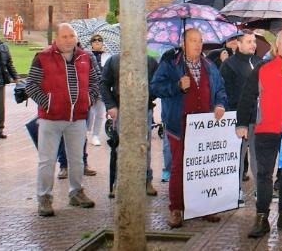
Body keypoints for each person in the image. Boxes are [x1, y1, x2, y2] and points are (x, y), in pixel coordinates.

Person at [150, 28, 228, 228]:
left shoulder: (209, 65)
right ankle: (176, 209)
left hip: (204, 128)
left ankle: (204, 206)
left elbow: (220, 90)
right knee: (178, 167)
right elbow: (154, 87)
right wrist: (176, 86)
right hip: (179, 125)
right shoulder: (170, 64)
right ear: (183, 44)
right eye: (193, 40)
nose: (197, 44)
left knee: (203, 167)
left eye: (200, 40)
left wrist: (220, 105)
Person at [26, 23, 99, 216]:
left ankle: (76, 192)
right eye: (64, 36)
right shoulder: (42, 57)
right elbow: (31, 85)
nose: (68, 40)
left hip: (77, 118)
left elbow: (95, 82)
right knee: (47, 161)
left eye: (71, 36)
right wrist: (48, 104)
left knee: (77, 160)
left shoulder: (86, 57)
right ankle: (44, 198)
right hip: (50, 119)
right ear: (56, 39)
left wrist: (87, 100)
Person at [237, 29, 282, 239]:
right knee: (264, 175)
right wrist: (241, 123)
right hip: (265, 129)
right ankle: (261, 217)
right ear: (277, 45)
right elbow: (247, 95)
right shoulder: (263, 68)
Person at [102, 52, 160, 198]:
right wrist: (111, 105)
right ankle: (117, 182)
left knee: (144, 146)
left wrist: (147, 98)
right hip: (121, 109)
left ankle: (146, 180)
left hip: (143, 110)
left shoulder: (150, 62)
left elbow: (157, 84)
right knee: (120, 147)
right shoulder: (114, 60)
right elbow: (103, 83)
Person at [219, 30, 261, 197]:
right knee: (237, 158)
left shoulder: (259, 62)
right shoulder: (228, 65)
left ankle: (261, 190)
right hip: (239, 119)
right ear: (239, 44)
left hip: (258, 118)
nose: (253, 45)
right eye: (249, 41)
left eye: (254, 41)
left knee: (258, 157)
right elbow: (223, 92)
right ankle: (234, 192)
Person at [87, 34, 109, 146]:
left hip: (102, 88)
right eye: (94, 41)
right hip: (89, 88)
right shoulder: (87, 55)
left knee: (100, 113)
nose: (97, 42)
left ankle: (95, 135)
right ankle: (87, 132)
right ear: (91, 44)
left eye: (99, 40)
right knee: (90, 112)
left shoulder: (107, 56)